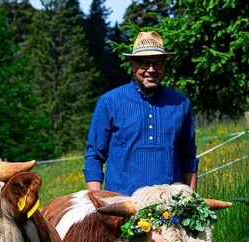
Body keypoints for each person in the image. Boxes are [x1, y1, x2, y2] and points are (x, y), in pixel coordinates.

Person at [84, 31, 198, 195]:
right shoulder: (109, 102)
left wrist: (191, 200)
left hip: (169, 207)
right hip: (122, 205)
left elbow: (189, 157)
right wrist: (97, 201)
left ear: (164, 65)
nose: (151, 70)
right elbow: (94, 156)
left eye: (157, 63)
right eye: (144, 63)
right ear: (132, 64)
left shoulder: (180, 103)